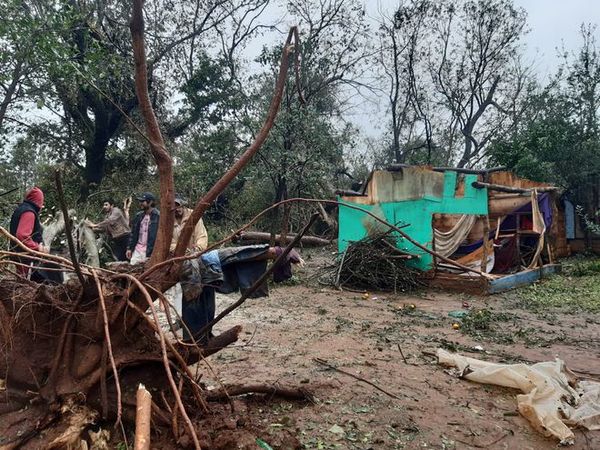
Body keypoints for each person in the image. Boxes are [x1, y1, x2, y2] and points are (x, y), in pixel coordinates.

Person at [9, 187, 50, 279]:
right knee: (27, 284)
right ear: (38, 201)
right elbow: (22, 235)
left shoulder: (21, 209)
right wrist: (38, 247)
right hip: (25, 257)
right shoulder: (29, 212)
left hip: (19, 254)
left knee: (22, 281)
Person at [127, 192, 159, 264]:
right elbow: (133, 233)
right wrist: (129, 248)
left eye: (142, 201)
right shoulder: (139, 216)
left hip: (150, 251)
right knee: (133, 269)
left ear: (150, 202)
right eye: (140, 201)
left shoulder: (158, 216)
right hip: (138, 249)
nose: (140, 203)